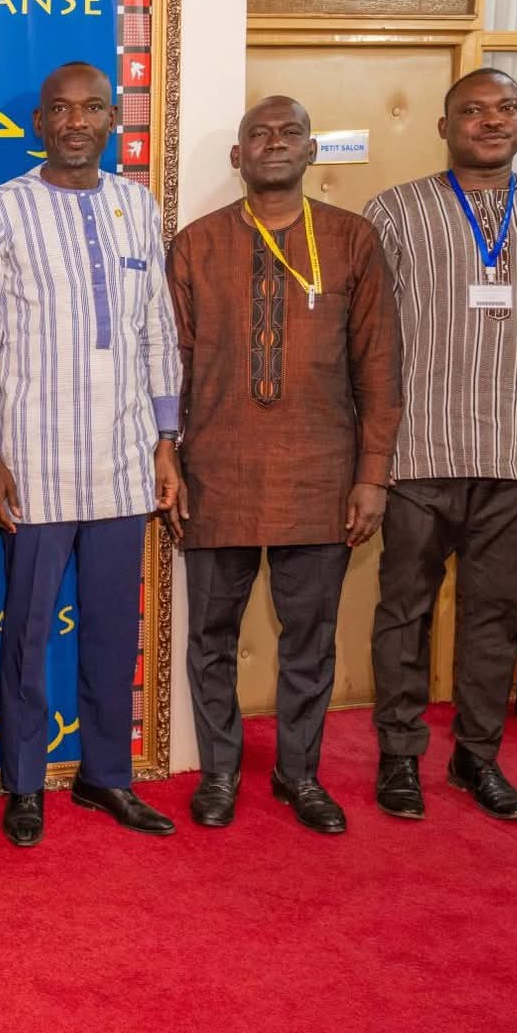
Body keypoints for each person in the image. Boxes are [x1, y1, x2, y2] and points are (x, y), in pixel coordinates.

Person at [363, 68, 517, 822]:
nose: (492, 120)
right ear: (445, 127)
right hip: (418, 451)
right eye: (472, 110)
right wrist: (368, 446)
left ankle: (477, 757)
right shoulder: (396, 211)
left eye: (507, 107)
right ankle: (399, 756)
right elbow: (365, 332)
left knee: (496, 614)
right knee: (403, 611)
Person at [166, 96, 402, 834]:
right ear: (237, 156)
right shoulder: (197, 244)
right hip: (217, 475)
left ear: (310, 152)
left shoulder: (351, 239)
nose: (274, 143)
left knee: (310, 639)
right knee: (210, 638)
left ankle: (299, 773)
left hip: (320, 476)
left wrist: (372, 473)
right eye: (258, 134)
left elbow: (379, 366)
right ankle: (220, 771)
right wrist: (167, 454)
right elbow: (169, 365)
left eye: (289, 132)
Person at [0, 61, 182, 844]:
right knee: (25, 634)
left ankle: (106, 775)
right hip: (35, 463)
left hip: (124, 459)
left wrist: (166, 440)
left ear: (113, 120)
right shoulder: (2, 209)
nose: (77, 121)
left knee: (112, 629)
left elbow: (156, 327)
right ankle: (23, 782)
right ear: (40, 123)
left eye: (93, 107)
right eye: (61, 108)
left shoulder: (135, 205)